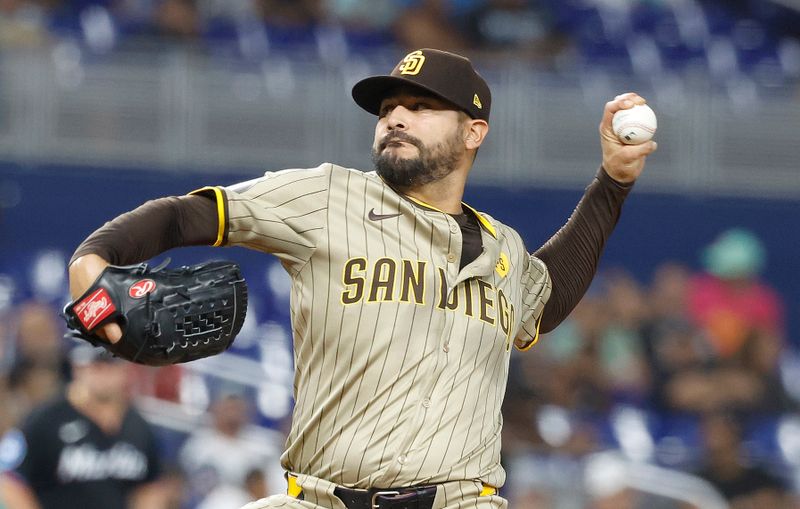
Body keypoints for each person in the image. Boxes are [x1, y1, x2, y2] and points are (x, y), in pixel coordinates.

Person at [66, 48, 657, 508]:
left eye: (421, 107)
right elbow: (187, 214)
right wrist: (91, 260)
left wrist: (613, 182)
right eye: (386, 110)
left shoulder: (504, 249)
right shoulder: (327, 197)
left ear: (474, 132)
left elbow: (542, 302)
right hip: (321, 498)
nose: (396, 117)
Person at [0, 344, 169, 509]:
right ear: (77, 368)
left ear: (124, 370)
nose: (103, 375)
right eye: (95, 367)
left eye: (110, 366)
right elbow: (10, 480)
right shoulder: (45, 420)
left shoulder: (138, 425)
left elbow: (150, 487)